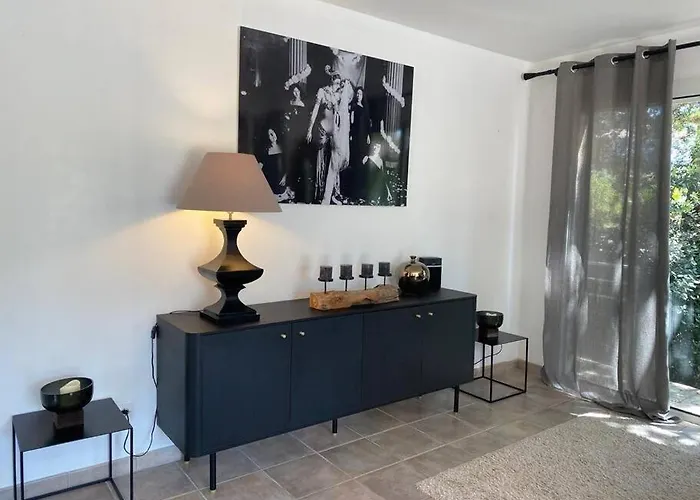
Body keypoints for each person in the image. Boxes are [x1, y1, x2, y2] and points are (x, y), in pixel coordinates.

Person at [306, 67, 343, 203]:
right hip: (322, 130)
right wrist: (309, 129)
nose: (337, 86)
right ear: (331, 81)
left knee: (333, 161)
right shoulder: (322, 91)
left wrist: (339, 130)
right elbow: (315, 110)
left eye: (339, 84)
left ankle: (332, 192)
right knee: (321, 161)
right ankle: (320, 193)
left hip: (334, 132)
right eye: (336, 83)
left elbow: (339, 115)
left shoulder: (338, 95)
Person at [347, 86, 371, 201]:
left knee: (363, 163)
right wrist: (351, 135)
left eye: (360, 94)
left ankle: (362, 191)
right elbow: (351, 123)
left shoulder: (365, 108)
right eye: (357, 94)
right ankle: (354, 192)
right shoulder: (353, 107)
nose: (358, 96)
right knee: (356, 163)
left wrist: (368, 135)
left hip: (364, 138)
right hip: (356, 138)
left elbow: (367, 124)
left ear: (363, 95)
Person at [260, 128, 285, 197]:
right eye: (270, 135)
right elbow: (260, 165)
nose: (273, 136)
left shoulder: (283, 147)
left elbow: (289, 165)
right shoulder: (266, 151)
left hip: (282, 183)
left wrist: (285, 177)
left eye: (273, 133)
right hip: (270, 184)